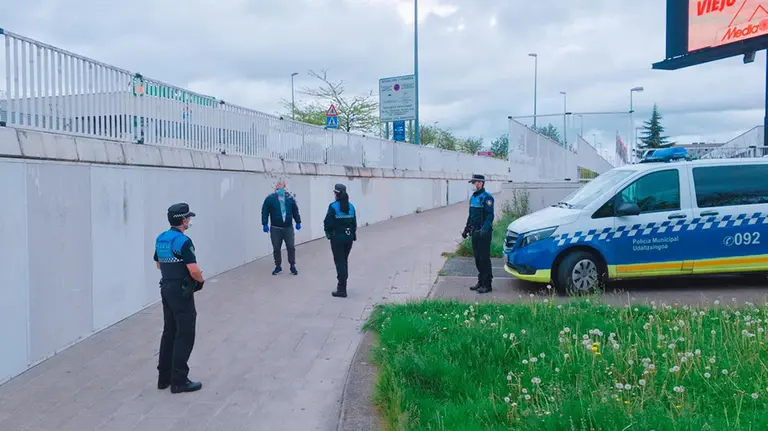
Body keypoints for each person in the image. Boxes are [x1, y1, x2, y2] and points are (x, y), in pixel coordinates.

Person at [153, 203, 204, 394]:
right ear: (183, 220)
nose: (189, 221)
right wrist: (200, 280)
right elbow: (193, 269)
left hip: (166, 286)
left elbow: (158, 264)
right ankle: (179, 380)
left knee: (169, 331)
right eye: (188, 218)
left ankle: (164, 377)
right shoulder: (183, 241)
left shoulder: (161, 239)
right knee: (185, 332)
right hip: (181, 290)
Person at [462, 174, 495, 294]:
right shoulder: (473, 198)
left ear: (480, 183)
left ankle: (487, 284)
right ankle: (480, 281)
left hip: (484, 233)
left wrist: (484, 230)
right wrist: (466, 229)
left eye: (474, 182)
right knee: (477, 258)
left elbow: (490, 216)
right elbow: (471, 215)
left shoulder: (487, 198)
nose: (473, 185)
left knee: (484, 258)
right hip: (474, 232)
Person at [261, 179, 302, 275]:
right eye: (278, 186)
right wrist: (264, 224)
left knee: (291, 247)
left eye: (282, 186)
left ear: (284, 187)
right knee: (276, 248)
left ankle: (292, 265)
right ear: (276, 187)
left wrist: (298, 221)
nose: (280, 188)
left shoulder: (289, 198)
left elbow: (295, 211)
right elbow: (265, 211)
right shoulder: (270, 199)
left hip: (288, 228)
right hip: (276, 228)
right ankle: (278, 266)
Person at [324, 183, 357, 298]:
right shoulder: (351, 206)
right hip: (348, 239)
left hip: (337, 238)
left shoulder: (333, 206)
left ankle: (342, 288)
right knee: (344, 261)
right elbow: (354, 224)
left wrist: (329, 235)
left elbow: (328, 223)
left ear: (336, 194)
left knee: (340, 262)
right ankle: (343, 284)